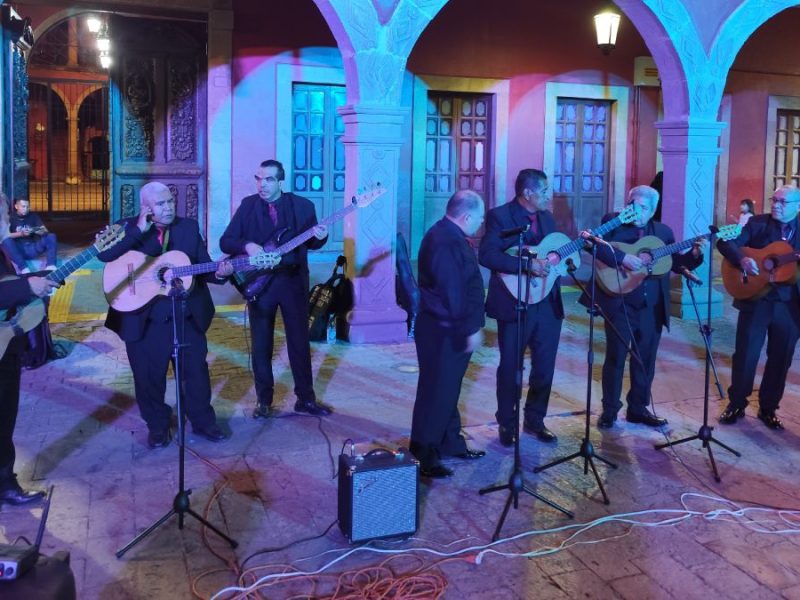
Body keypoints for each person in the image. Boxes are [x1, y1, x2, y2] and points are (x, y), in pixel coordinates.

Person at [97, 182, 232, 448]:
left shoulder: (188, 227)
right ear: (146, 207)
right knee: (148, 378)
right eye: (161, 204)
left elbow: (200, 265)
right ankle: (157, 426)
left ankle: (204, 422)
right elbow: (104, 255)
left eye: (170, 201)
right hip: (143, 318)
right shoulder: (125, 227)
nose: (169, 207)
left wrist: (219, 272)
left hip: (184, 313)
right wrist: (138, 230)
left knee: (196, 373)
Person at [220, 159, 332, 418]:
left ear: (281, 181)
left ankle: (305, 399)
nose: (262, 185)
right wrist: (248, 245)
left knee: (299, 343)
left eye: (269, 179)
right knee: (262, 344)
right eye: (258, 179)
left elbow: (312, 245)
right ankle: (264, 401)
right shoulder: (248, 206)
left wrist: (321, 235)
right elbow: (226, 241)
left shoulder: (303, 206)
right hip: (261, 284)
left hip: (292, 282)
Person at [589, 185, 703, 429]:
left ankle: (638, 408)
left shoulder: (663, 232)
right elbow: (594, 245)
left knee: (645, 360)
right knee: (615, 358)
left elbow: (675, 263)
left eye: (642, 207)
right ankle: (609, 410)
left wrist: (694, 255)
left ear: (652, 211)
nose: (636, 211)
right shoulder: (613, 222)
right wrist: (622, 258)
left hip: (651, 306)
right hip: (620, 302)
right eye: (633, 204)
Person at [478, 168, 563, 446]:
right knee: (512, 367)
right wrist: (527, 265)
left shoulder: (548, 219)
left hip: (547, 304)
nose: (549, 196)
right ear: (528, 193)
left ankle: (535, 420)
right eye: (545, 191)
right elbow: (488, 255)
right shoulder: (500, 216)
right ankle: (507, 422)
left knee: (545, 367)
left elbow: (556, 255)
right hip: (515, 303)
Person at [410, 190, 486, 478]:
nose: (480, 224)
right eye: (479, 218)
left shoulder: (447, 234)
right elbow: (452, 292)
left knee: (448, 389)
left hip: (446, 327)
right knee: (436, 392)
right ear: (466, 216)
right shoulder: (444, 241)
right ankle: (424, 453)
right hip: (444, 331)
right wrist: (468, 330)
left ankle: (450, 442)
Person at [717, 185, 800, 430]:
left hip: (790, 305)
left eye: (783, 202)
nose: (776, 205)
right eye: (774, 200)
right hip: (757, 299)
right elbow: (725, 242)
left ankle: (768, 408)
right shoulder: (757, 224)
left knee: (781, 357)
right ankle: (737, 404)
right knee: (746, 354)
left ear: (797, 205)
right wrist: (741, 259)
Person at [0, 192, 59, 504]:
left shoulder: (4, 249)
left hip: (7, 345)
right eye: (4, 216)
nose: (8, 221)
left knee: (5, 418)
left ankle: (5, 483)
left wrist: (41, 280)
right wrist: (26, 286)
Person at [1, 198, 58, 273]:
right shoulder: (10, 218)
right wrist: (21, 233)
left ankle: (51, 265)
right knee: (6, 241)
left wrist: (32, 230)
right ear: (16, 206)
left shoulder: (33, 216)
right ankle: (24, 268)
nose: (26, 209)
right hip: (18, 250)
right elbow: (5, 235)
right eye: (23, 206)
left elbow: (44, 231)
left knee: (51, 236)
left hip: (33, 248)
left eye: (27, 207)